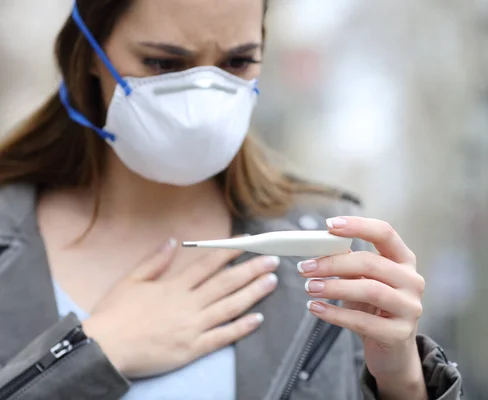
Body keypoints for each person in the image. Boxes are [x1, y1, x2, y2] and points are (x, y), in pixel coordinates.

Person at [0, 1, 462, 399]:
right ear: (89, 53)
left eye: (238, 63)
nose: (202, 101)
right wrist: (90, 354)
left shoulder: (325, 252)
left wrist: (401, 379)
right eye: (163, 63)